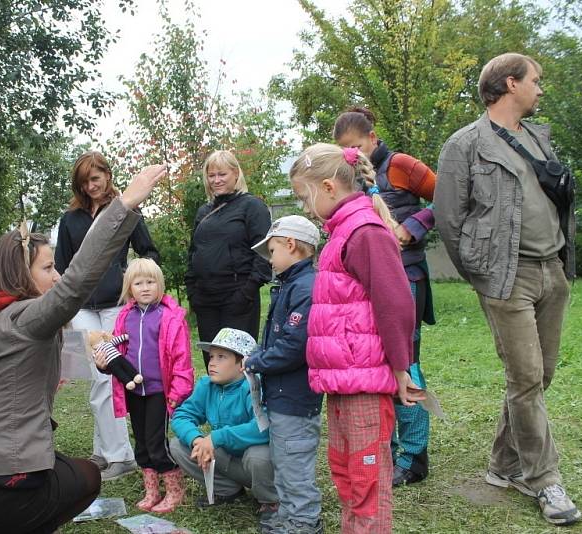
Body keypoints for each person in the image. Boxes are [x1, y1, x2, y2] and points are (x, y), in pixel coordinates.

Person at [0, 164, 166, 534]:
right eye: (47, 268)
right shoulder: (26, 317)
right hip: (0, 489)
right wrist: (124, 204)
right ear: (21, 275)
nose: (56, 275)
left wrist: (85, 347)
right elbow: (75, 284)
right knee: (88, 475)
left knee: (56, 470)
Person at [435, 53, 580, 526]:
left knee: (539, 377)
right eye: (536, 81)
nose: (542, 89)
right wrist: (481, 273)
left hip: (552, 269)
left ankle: (502, 464)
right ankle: (544, 479)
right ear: (510, 84)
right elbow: (449, 220)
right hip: (505, 276)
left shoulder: (538, 138)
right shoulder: (465, 145)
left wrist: (561, 260)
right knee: (526, 377)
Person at [290, 143, 424, 534]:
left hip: (364, 382)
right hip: (345, 379)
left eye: (304, 196)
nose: (304, 206)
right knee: (347, 472)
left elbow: (395, 304)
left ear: (329, 187)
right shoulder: (342, 232)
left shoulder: (364, 232)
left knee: (367, 477)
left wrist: (400, 367)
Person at [333, 107, 438, 487]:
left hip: (406, 275)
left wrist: (413, 227)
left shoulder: (401, 165)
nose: (353, 154)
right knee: (380, 363)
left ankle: (414, 455)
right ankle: (388, 450)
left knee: (406, 362)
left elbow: (447, 197)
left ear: (373, 138)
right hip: (367, 282)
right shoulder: (348, 175)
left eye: (357, 146)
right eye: (345, 148)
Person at [55, 150, 160, 481]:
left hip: (116, 306)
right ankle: (104, 451)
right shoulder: (69, 220)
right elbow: (61, 266)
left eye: (95, 179)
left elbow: (150, 253)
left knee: (111, 378)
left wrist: (130, 277)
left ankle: (120, 456)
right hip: (82, 308)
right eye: (84, 182)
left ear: (108, 175)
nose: (90, 187)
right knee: (95, 380)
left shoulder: (127, 212)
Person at [94, 258, 194, 513]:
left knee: (156, 441)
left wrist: (178, 391)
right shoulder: (125, 317)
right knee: (141, 443)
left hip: (160, 391)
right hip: (134, 391)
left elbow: (182, 358)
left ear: (159, 285)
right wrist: (104, 363)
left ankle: (174, 489)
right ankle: (152, 490)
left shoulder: (170, 317)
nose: (146, 287)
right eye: (139, 283)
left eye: (151, 282)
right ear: (130, 288)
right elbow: (116, 353)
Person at [244, 215, 323, 534]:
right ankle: (289, 514)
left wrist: (257, 361)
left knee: (295, 465)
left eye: (273, 250)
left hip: (295, 396)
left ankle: (304, 521)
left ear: (291, 245)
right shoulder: (291, 284)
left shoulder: (306, 287)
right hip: (281, 396)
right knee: (283, 461)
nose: (271, 260)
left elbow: (294, 346)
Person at [169, 328, 277, 519]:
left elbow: (263, 428)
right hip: (228, 458)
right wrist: (196, 440)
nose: (212, 363)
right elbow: (182, 415)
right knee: (178, 445)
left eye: (221, 357)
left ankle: (270, 501)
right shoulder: (206, 385)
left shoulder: (253, 386)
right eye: (211, 357)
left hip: (255, 464)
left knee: (258, 455)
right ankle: (228, 490)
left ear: (242, 364)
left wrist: (217, 437)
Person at [185, 150, 271, 369]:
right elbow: (193, 252)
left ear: (235, 174)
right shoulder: (204, 211)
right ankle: (217, 405)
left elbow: (264, 253)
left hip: (238, 298)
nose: (216, 180)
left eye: (222, 174)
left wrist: (247, 292)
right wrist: (192, 291)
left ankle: (244, 404)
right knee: (213, 365)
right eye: (211, 175)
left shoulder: (252, 206)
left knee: (236, 365)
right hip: (206, 300)